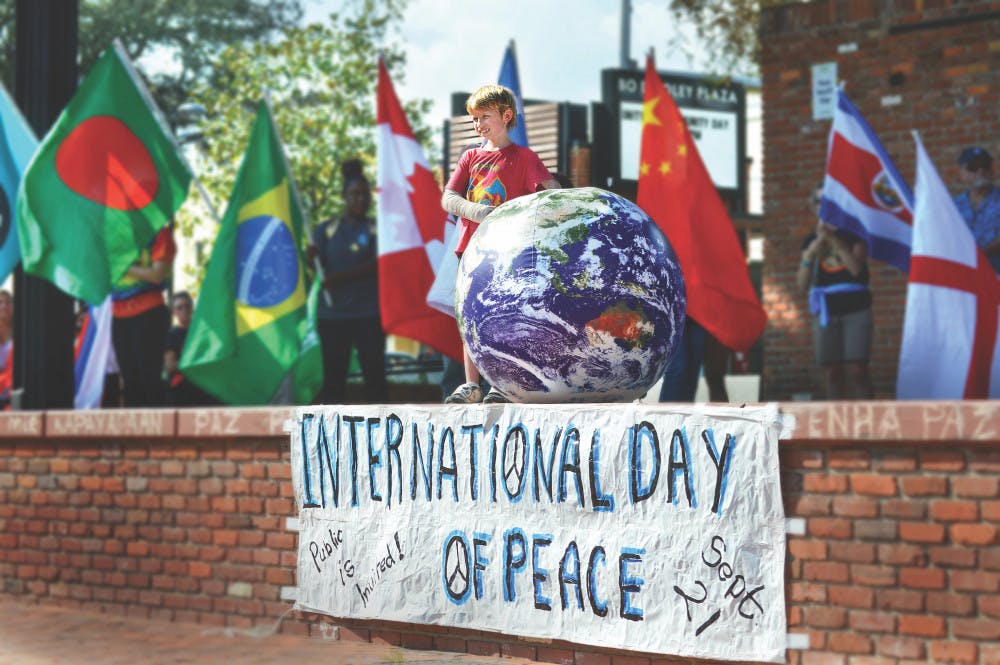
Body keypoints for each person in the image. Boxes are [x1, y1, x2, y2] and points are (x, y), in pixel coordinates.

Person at [441, 84, 560, 404]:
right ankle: (471, 384)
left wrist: (536, 214)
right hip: (473, 247)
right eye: (474, 119)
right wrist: (477, 211)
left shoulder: (524, 157)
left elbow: (553, 191)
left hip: (509, 251)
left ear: (506, 116)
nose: (478, 125)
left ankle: (502, 382)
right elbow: (448, 197)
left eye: (485, 117)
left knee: (504, 315)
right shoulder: (470, 156)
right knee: (470, 314)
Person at [307, 160, 388, 404]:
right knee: (334, 379)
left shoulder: (376, 229)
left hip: (368, 314)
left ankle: (383, 429)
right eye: (354, 194)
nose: (360, 199)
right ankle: (331, 435)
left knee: (375, 378)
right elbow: (319, 270)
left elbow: (377, 264)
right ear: (344, 196)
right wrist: (310, 258)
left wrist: (337, 278)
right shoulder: (326, 229)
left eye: (365, 194)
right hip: (333, 316)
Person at [797, 186, 874, 399]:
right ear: (814, 207)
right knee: (831, 372)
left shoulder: (854, 235)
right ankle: (836, 426)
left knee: (858, 369)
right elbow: (802, 285)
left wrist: (833, 239)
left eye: (828, 201)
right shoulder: (810, 240)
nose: (824, 206)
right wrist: (811, 252)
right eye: (819, 202)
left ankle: (868, 422)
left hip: (855, 308)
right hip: (826, 310)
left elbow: (856, 269)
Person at [111, 226, 175, 407]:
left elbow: (157, 275)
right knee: (129, 380)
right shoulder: (112, 235)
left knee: (149, 377)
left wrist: (124, 267)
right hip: (118, 314)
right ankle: (134, 433)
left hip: (148, 313)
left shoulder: (158, 232)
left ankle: (157, 431)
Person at [163, 291, 215, 407]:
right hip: (182, 386)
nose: (184, 310)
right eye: (179, 307)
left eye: (187, 306)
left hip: (203, 383)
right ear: (174, 312)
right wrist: (193, 361)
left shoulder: (201, 332)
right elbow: (169, 366)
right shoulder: (171, 335)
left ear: (192, 308)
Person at [953, 146, 1000, 274]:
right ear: (962, 174)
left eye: (985, 165)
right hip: (966, 278)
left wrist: (981, 254)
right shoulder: (953, 206)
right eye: (973, 167)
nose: (980, 171)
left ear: (992, 170)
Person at [0, 289, 12, 407]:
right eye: (0, 302)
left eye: (8, 302)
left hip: (12, 384)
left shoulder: (19, 330)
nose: (4, 306)